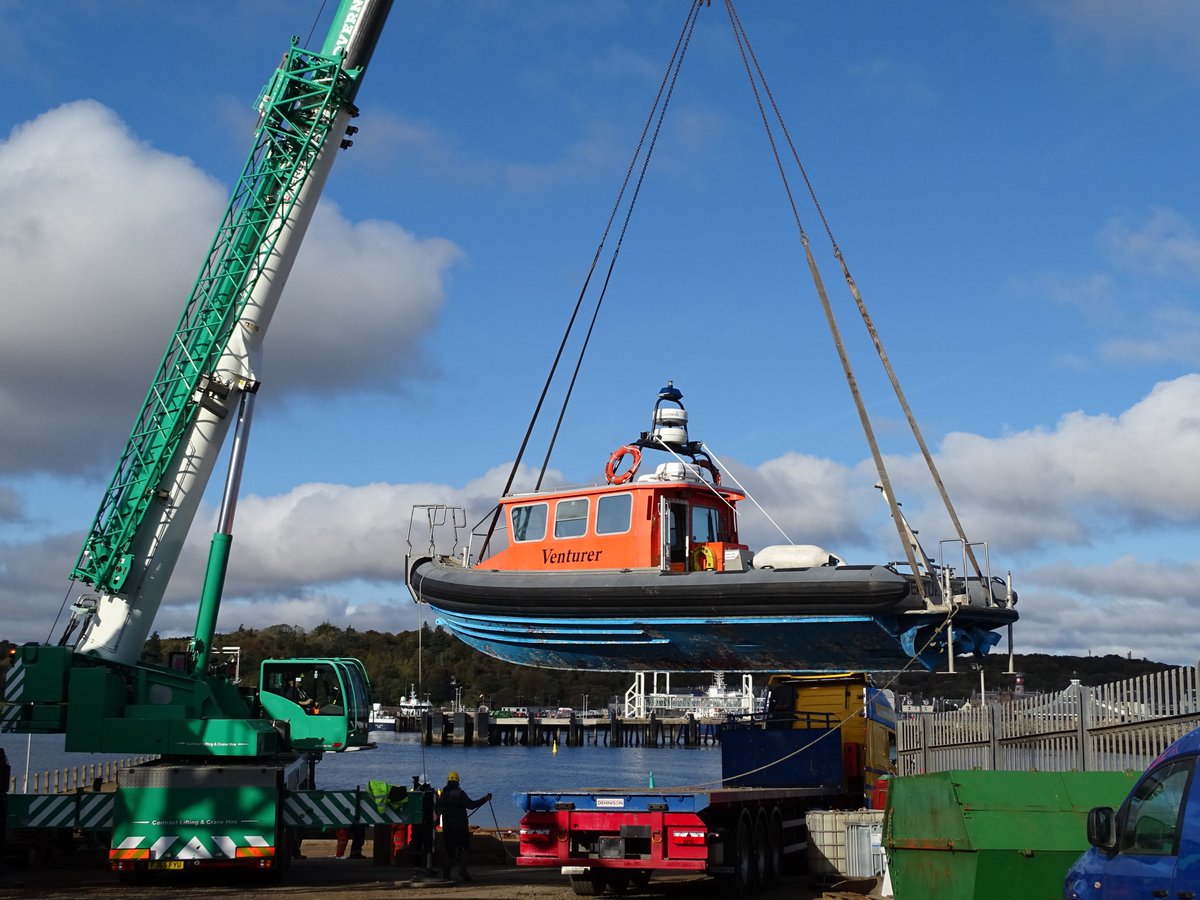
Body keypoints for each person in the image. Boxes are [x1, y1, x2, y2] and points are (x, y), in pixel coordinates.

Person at [435, 770, 491, 882]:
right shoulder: (460, 794)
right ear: (458, 781)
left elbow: (437, 811)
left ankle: (446, 876)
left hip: (447, 829)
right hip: (460, 829)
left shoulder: (443, 795)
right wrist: (485, 799)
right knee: (465, 849)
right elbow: (471, 805)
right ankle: (462, 870)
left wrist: (436, 823)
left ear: (448, 781)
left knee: (449, 851)